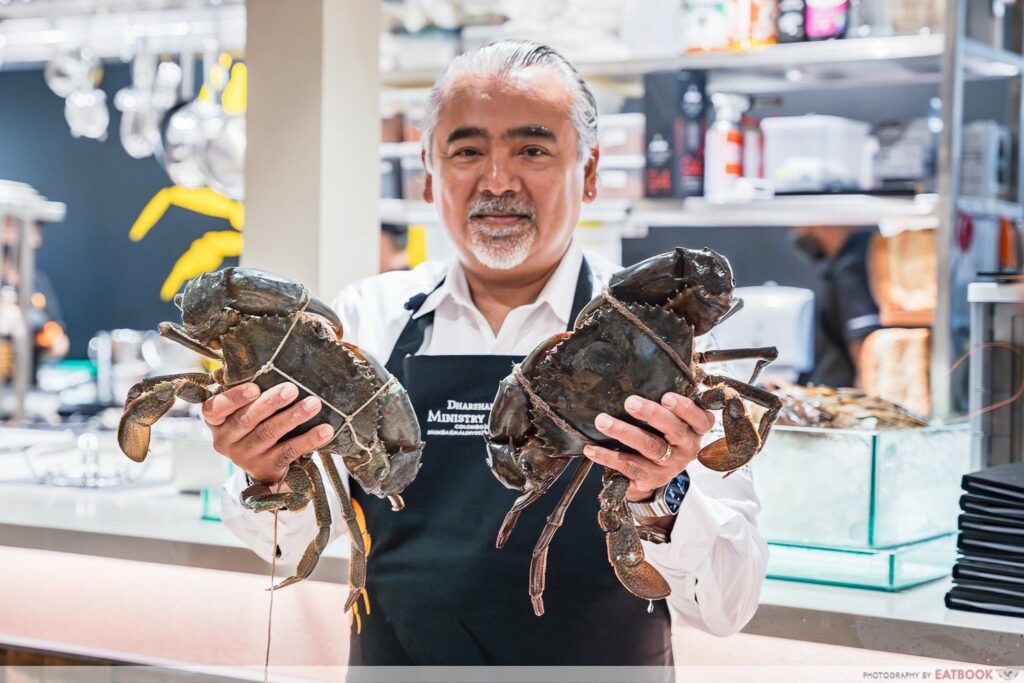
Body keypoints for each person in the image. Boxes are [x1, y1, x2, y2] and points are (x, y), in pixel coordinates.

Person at [206, 41, 768, 671]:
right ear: (427, 172)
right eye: (468, 151)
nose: (498, 181)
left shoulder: (667, 336)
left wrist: (663, 490)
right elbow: (282, 545)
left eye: (532, 149)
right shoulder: (365, 323)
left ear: (588, 172)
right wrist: (268, 474)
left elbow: (728, 606)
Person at [791, 225, 881, 388]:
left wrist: (868, 392)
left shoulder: (851, 265)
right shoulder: (853, 257)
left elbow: (863, 340)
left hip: (844, 388)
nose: (796, 232)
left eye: (799, 225)